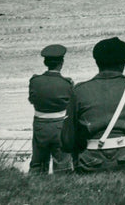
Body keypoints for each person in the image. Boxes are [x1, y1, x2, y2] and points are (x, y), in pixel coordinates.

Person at [61, 36, 125, 172]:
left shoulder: (79, 90)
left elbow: (67, 141)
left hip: (90, 163)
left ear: (97, 62)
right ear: (123, 64)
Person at [28, 44, 74, 173]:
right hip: (60, 124)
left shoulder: (35, 81)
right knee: (62, 164)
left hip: (40, 124)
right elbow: (71, 105)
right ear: (61, 63)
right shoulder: (66, 83)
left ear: (45, 62)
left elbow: (32, 100)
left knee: (38, 163)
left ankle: (35, 188)